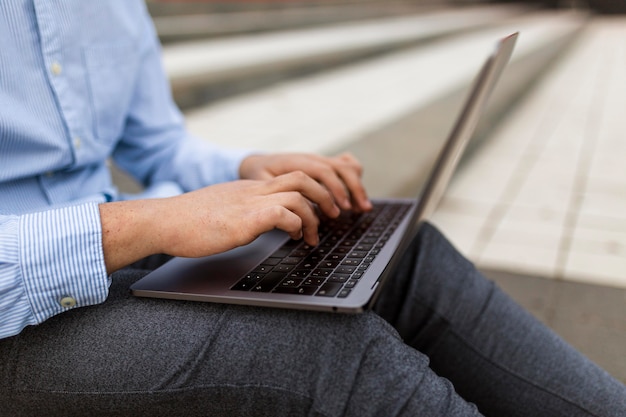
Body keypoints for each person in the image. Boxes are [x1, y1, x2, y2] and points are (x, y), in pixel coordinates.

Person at [1, 1, 624, 416]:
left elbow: (157, 141)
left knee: (391, 247)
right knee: (318, 349)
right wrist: (145, 222)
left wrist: (249, 170)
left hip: (108, 240)